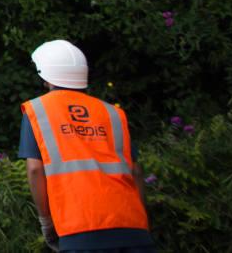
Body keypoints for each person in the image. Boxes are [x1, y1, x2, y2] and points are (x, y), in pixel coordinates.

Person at [19, 40, 155, 252]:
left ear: (45, 77)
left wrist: (46, 222)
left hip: (79, 227)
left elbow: (35, 170)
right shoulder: (112, 113)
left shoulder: (39, 110)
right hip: (132, 226)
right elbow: (136, 171)